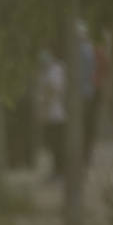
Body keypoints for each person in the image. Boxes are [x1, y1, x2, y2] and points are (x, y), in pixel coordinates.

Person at [35, 47, 67, 181]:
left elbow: (53, 90)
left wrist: (43, 107)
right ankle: (56, 171)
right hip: (49, 115)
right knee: (51, 147)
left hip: (56, 115)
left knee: (57, 146)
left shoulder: (57, 69)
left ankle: (60, 172)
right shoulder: (44, 71)